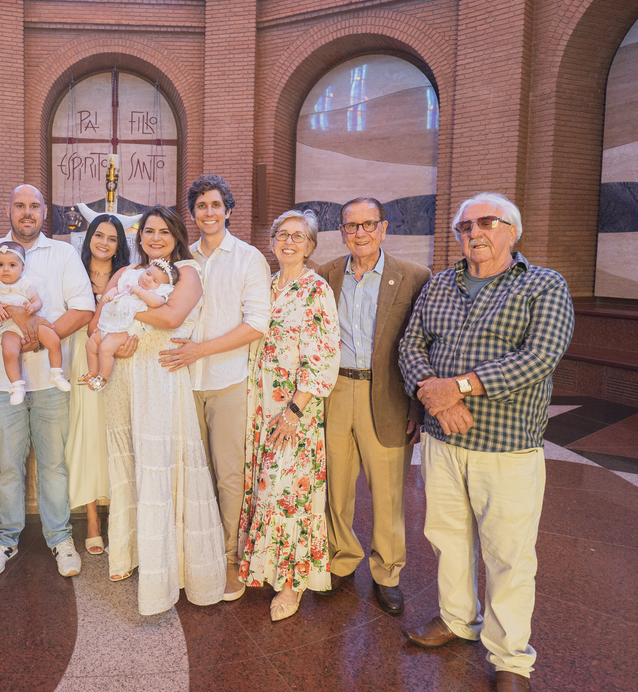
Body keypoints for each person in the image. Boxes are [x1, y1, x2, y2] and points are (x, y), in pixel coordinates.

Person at [398, 192, 574, 692]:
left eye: (486, 223)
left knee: (509, 555)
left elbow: (539, 357)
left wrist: (460, 386)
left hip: (508, 446)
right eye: (464, 226)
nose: (474, 233)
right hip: (441, 441)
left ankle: (511, 658)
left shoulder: (543, 285)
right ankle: (457, 619)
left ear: (511, 231)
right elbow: (411, 345)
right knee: (447, 538)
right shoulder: (440, 285)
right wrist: (438, 397)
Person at [0, 185, 95, 578]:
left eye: (34, 206)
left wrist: (33, 338)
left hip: (51, 382)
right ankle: (5, 539)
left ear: (44, 211)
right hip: (2, 381)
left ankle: (60, 537)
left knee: (53, 464)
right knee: (8, 466)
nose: (27, 212)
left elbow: (83, 308)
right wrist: (13, 316)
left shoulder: (62, 253)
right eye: (20, 206)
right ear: (8, 210)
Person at [103, 205, 225, 616]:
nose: (155, 238)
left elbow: (172, 317)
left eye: (163, 232)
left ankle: (169, 569)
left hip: (160, 374)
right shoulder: (128, 272)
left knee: (160, 465)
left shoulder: (186, 272)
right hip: (124, 375)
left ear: (176, 236)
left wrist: (125, 307)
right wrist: (113, 331)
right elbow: (95, 326)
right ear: (140, 238)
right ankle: (130, 553)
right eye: (148, 232)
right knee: (131, 465)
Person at [314, 197, 431, 615]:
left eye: (368, 225)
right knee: (337, 488)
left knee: (387, 496)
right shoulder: (325, 275)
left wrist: (416, 410)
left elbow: (423, 345)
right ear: (342, 232)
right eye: (351, 226)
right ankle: (340, 561)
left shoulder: (415, 276)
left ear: (383, 229)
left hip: (388, 396)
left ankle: (387, 573)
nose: (359, 234)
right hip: (336, 392)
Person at [159, 174, 269, 601]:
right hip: (180, 382)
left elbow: (257, 324)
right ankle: (193, 556)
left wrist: (201, 350)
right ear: (193, 212)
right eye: (201, 206)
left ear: (228, 210)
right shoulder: (179, 259)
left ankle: (228, 559)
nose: (208, 212)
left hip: (226, 381)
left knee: (228, 476)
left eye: (215, 205)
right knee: (189, 472)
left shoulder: (248, 258)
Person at [237, 210, 340, 622]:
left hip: (294, 411)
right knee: (262, 490)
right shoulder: (264, 283)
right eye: (283, 234)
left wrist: (295, 409)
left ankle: (293, 584)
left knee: (289, 494)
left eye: (299, 236)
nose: (290, 242)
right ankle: (261, 566)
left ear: (311, 245)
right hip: (257, 407)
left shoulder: (315, 290)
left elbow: (324, 356)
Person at [66, 214, 130, 555]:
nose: (104, 243)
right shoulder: (73, 271)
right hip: (81, 355)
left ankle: (122, 515)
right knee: (88, 433)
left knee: (117, 433)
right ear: (89, 237)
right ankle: (92, 519)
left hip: (117, 359)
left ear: (120, 245)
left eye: (112, 238)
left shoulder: (129, 276)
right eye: (99, 236)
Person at [0, 241, 72, 405]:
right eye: (0, 265)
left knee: (53, 339)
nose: (6, 269)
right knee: (8, 351)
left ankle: (56, 373)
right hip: (9, 327)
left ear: (22, 268)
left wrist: (32, 306)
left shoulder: (24, 284)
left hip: (31, 323)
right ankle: (16, 385)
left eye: (12, 265)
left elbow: (37, 301)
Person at [83, 260, 177, 390]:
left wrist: (139, 292)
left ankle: (102, 378)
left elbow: (157, 302)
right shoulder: (132, 278)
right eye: (148, 274)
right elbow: (117, 289)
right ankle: (92, 373)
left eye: (155, 281)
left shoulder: (156, 293)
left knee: (105, 348)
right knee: (90, 344)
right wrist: (111, 294)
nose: (148, 280)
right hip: (110, 324)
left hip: (124, 330)